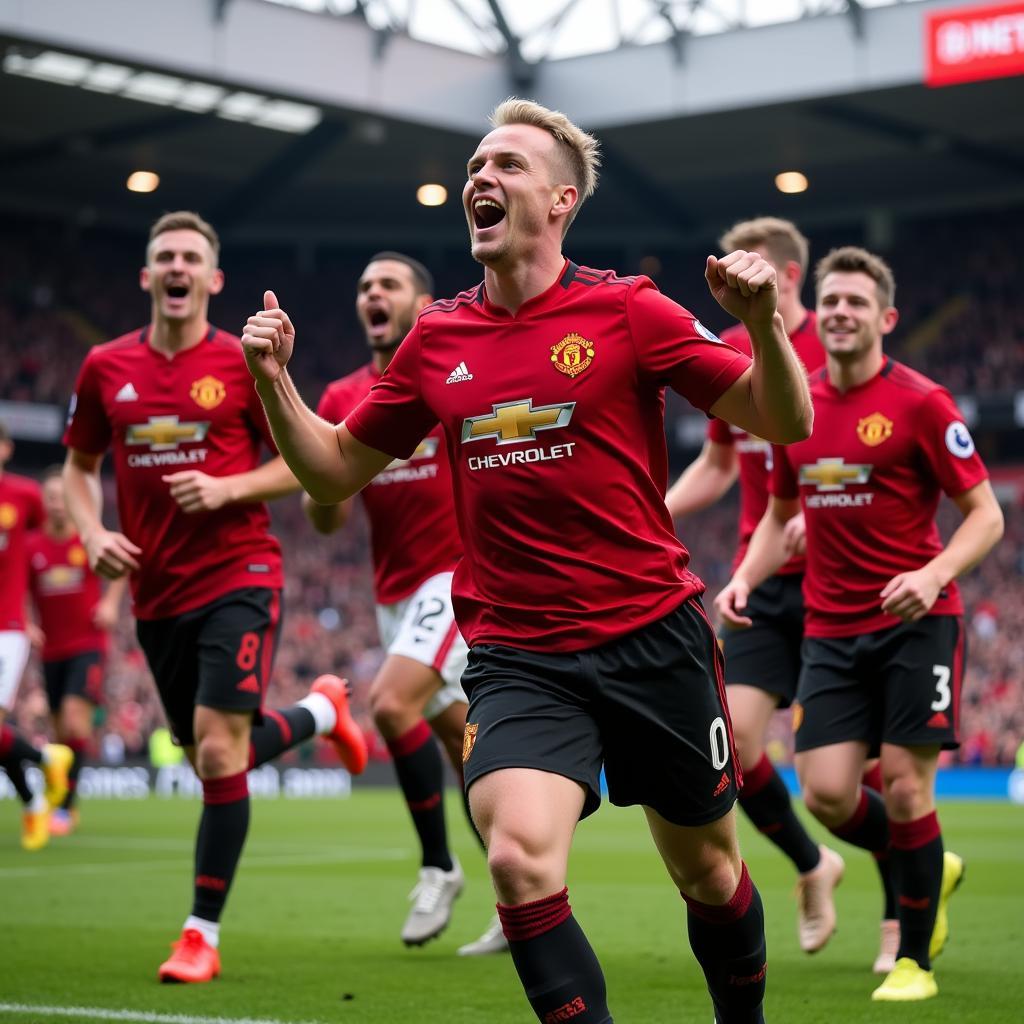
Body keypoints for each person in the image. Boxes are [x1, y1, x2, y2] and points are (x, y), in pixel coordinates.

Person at [243, 99, 813, 1023]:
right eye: (476, 164)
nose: (481, 177)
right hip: (516, 650)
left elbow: (784, 421)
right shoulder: (437, 335)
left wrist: (765, 324)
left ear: (561, 201)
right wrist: (275, 385)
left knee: (708, 872)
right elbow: (335, 465)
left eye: (507, 165)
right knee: (515, 858)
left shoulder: (629, 309)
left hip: (652, 635)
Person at [62, 211, 368, 984]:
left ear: (212, 279)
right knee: (210, 757)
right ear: (146, 276)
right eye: (163, 255)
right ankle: (321, 714)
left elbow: (309, 456)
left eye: (190, 257)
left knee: (220, 746)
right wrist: (93, 535)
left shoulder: (242, 361)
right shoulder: (104, 366)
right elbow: (76, 467)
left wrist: (230, 484)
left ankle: (200, 934)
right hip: (155, 591)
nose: (176, 266)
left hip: (240, 571)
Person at [715, 245, 1003, 1002]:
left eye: (856, 303)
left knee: (908, 788)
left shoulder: (922, 402)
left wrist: (935, 573)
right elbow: (780, 516)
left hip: (919, 620)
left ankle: (913, 961)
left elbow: (985, 514)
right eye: (832, 301)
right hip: (829, 628)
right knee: (829, 795)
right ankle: (926, 864)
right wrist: (744, 577)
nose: (840, 312)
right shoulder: (795, 406)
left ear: (886, 318)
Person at [666, 217, 898, 970]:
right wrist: (652, 508)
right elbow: (720, 464)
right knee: (731, 740)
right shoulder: (735, 351)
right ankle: (811, 863)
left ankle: (906, 896)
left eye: (750, 268)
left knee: (860, 777)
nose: (733, 278)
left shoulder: (829, 350)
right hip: (761, 580)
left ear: (790, 277)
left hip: (845, 587)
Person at [308, 251, 505, 955]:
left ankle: (439, 866)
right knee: (464, 747)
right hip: (392, 593)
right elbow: (328, 508)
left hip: (451, 579)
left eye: (387, 284)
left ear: (421, 305)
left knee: (388, 705)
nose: (372, 294)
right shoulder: (340, 398)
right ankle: (525, 898)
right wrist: (319, 488)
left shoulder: (450, 372)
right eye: (363, 286)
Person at [26, 466, 127, 836]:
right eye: (49, 498)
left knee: (73, 720)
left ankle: (66, 809)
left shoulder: (87, 539)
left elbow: (120, 569)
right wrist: (26, 620)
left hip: (88, 645)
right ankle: (58, 791)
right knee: (56, 734)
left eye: (60, 497)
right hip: (50, 649)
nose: (55, 505)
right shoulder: (32, 545)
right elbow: (15, 586)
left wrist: (111, 604)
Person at [0, 423, 73, 850]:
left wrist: (33, 614)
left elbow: (51, 549)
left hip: (7, 628)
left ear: (7, 449)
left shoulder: (25, 495)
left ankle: (37, 791)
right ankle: (42, 775)